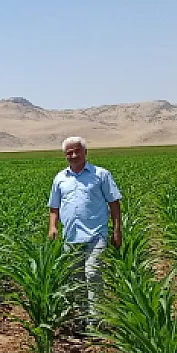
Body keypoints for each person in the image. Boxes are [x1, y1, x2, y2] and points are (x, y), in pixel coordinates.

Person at [47, 136, 122, 327]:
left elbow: (114, 203)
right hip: (71, 237)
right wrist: (53, 227)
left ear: (85, 152)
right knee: (75, 278)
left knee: (93, 273)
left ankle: (95, 321)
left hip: (96, 235)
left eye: (76, 151)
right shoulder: (60, 178)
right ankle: (81, 318)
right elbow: (54, 207)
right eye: (69, 153)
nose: (73, 155)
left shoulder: (101, 174)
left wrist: (117, 230)